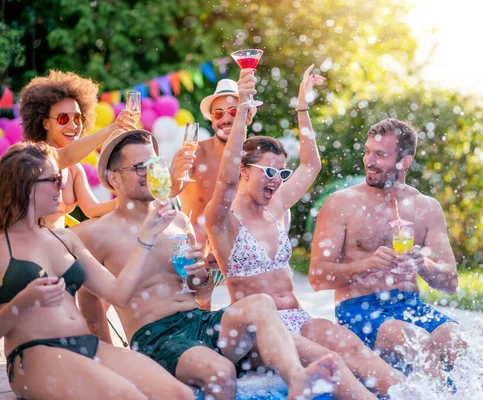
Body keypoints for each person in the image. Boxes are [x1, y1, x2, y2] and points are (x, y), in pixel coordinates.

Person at [75, 127, 339, 400]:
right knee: (221, 372)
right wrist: (110, 358)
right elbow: (89, 302)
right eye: (139, 167)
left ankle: (297, 379)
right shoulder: (95, 233)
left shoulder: (177, 221)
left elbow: (200, 293)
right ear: (113, 178)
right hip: (155, 335)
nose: (150, 172)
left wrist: (200, 279)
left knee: (260, 303)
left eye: (154, 164)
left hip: (198, 321)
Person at [205, 65, 405, 399]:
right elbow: (224, 178)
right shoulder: (223, 220)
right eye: (268, 170)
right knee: (333, 362)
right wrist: (242, 106)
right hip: (258, 334)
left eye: (281, 174)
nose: (276, 180)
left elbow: (311, 165)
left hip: (297, 317)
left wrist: (302, 107)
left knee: (354, 348)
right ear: (242, 170)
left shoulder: (276, 206)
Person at [0, 141, 195, 400]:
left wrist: (146, 238)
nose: (63, 186)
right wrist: (24, 301)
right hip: (32, 354)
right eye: (54, 180)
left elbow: (118, 293)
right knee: (128, 396)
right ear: (25, 186)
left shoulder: (64, 239)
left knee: (180, 394)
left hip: (85, 345)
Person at [309, 118, 467, 380]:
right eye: (367, 152)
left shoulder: (426, 207)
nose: (369, 161)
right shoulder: (341, 204)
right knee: (419, 344)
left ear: (404, 162)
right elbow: (317, 278)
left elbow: (450, 282)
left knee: (457, 343)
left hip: (410, 305)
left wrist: (422, 265)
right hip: (358, 309)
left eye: (380, 155)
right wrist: (368, 264)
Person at [173, 78, 291, 250]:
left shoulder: (258, 160)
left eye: (234, 112)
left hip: (239, 262)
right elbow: (171, 191)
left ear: (248, 116)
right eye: (218, 114)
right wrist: (174, 174)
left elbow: (277, 207)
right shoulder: (195, 154)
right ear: (212, 120)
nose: (226, 119)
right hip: (197, 260)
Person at [19, 70, 138, 229]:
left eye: (77, 118)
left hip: (60, 245)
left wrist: (132, 198)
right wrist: (112, 129)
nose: (73, 125)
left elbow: (93, 210)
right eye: (63, 118)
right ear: (45, 123)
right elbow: (64, 157)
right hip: (28, 248)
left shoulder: (75, 169)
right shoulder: (33, 157)